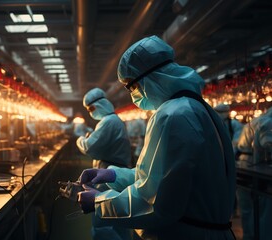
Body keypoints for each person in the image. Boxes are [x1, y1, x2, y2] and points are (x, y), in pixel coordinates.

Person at [77, 35, 236, 239]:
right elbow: (161, 177)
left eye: (131, 87)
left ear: (148, 78)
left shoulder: (172, 115)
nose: (133, 95)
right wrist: (113, 175)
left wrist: (99, 202)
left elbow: (155, 202)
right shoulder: (197, 108)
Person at [76, 87, 132, 240]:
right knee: (117, 220)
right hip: (112, 173)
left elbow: (90, 147)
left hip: (108, 175)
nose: (90, 112)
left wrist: (80, 139)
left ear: (99, 105)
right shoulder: (111, 121)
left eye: (91, 108)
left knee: (104, 221)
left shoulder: (108, 122)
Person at [236, 108, 272, 240]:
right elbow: (268, 144)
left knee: (246, 208)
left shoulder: (256, 121)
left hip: (243, 163)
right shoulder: (267, 123)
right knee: (262, 209)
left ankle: (248, 235)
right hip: (254, 165)